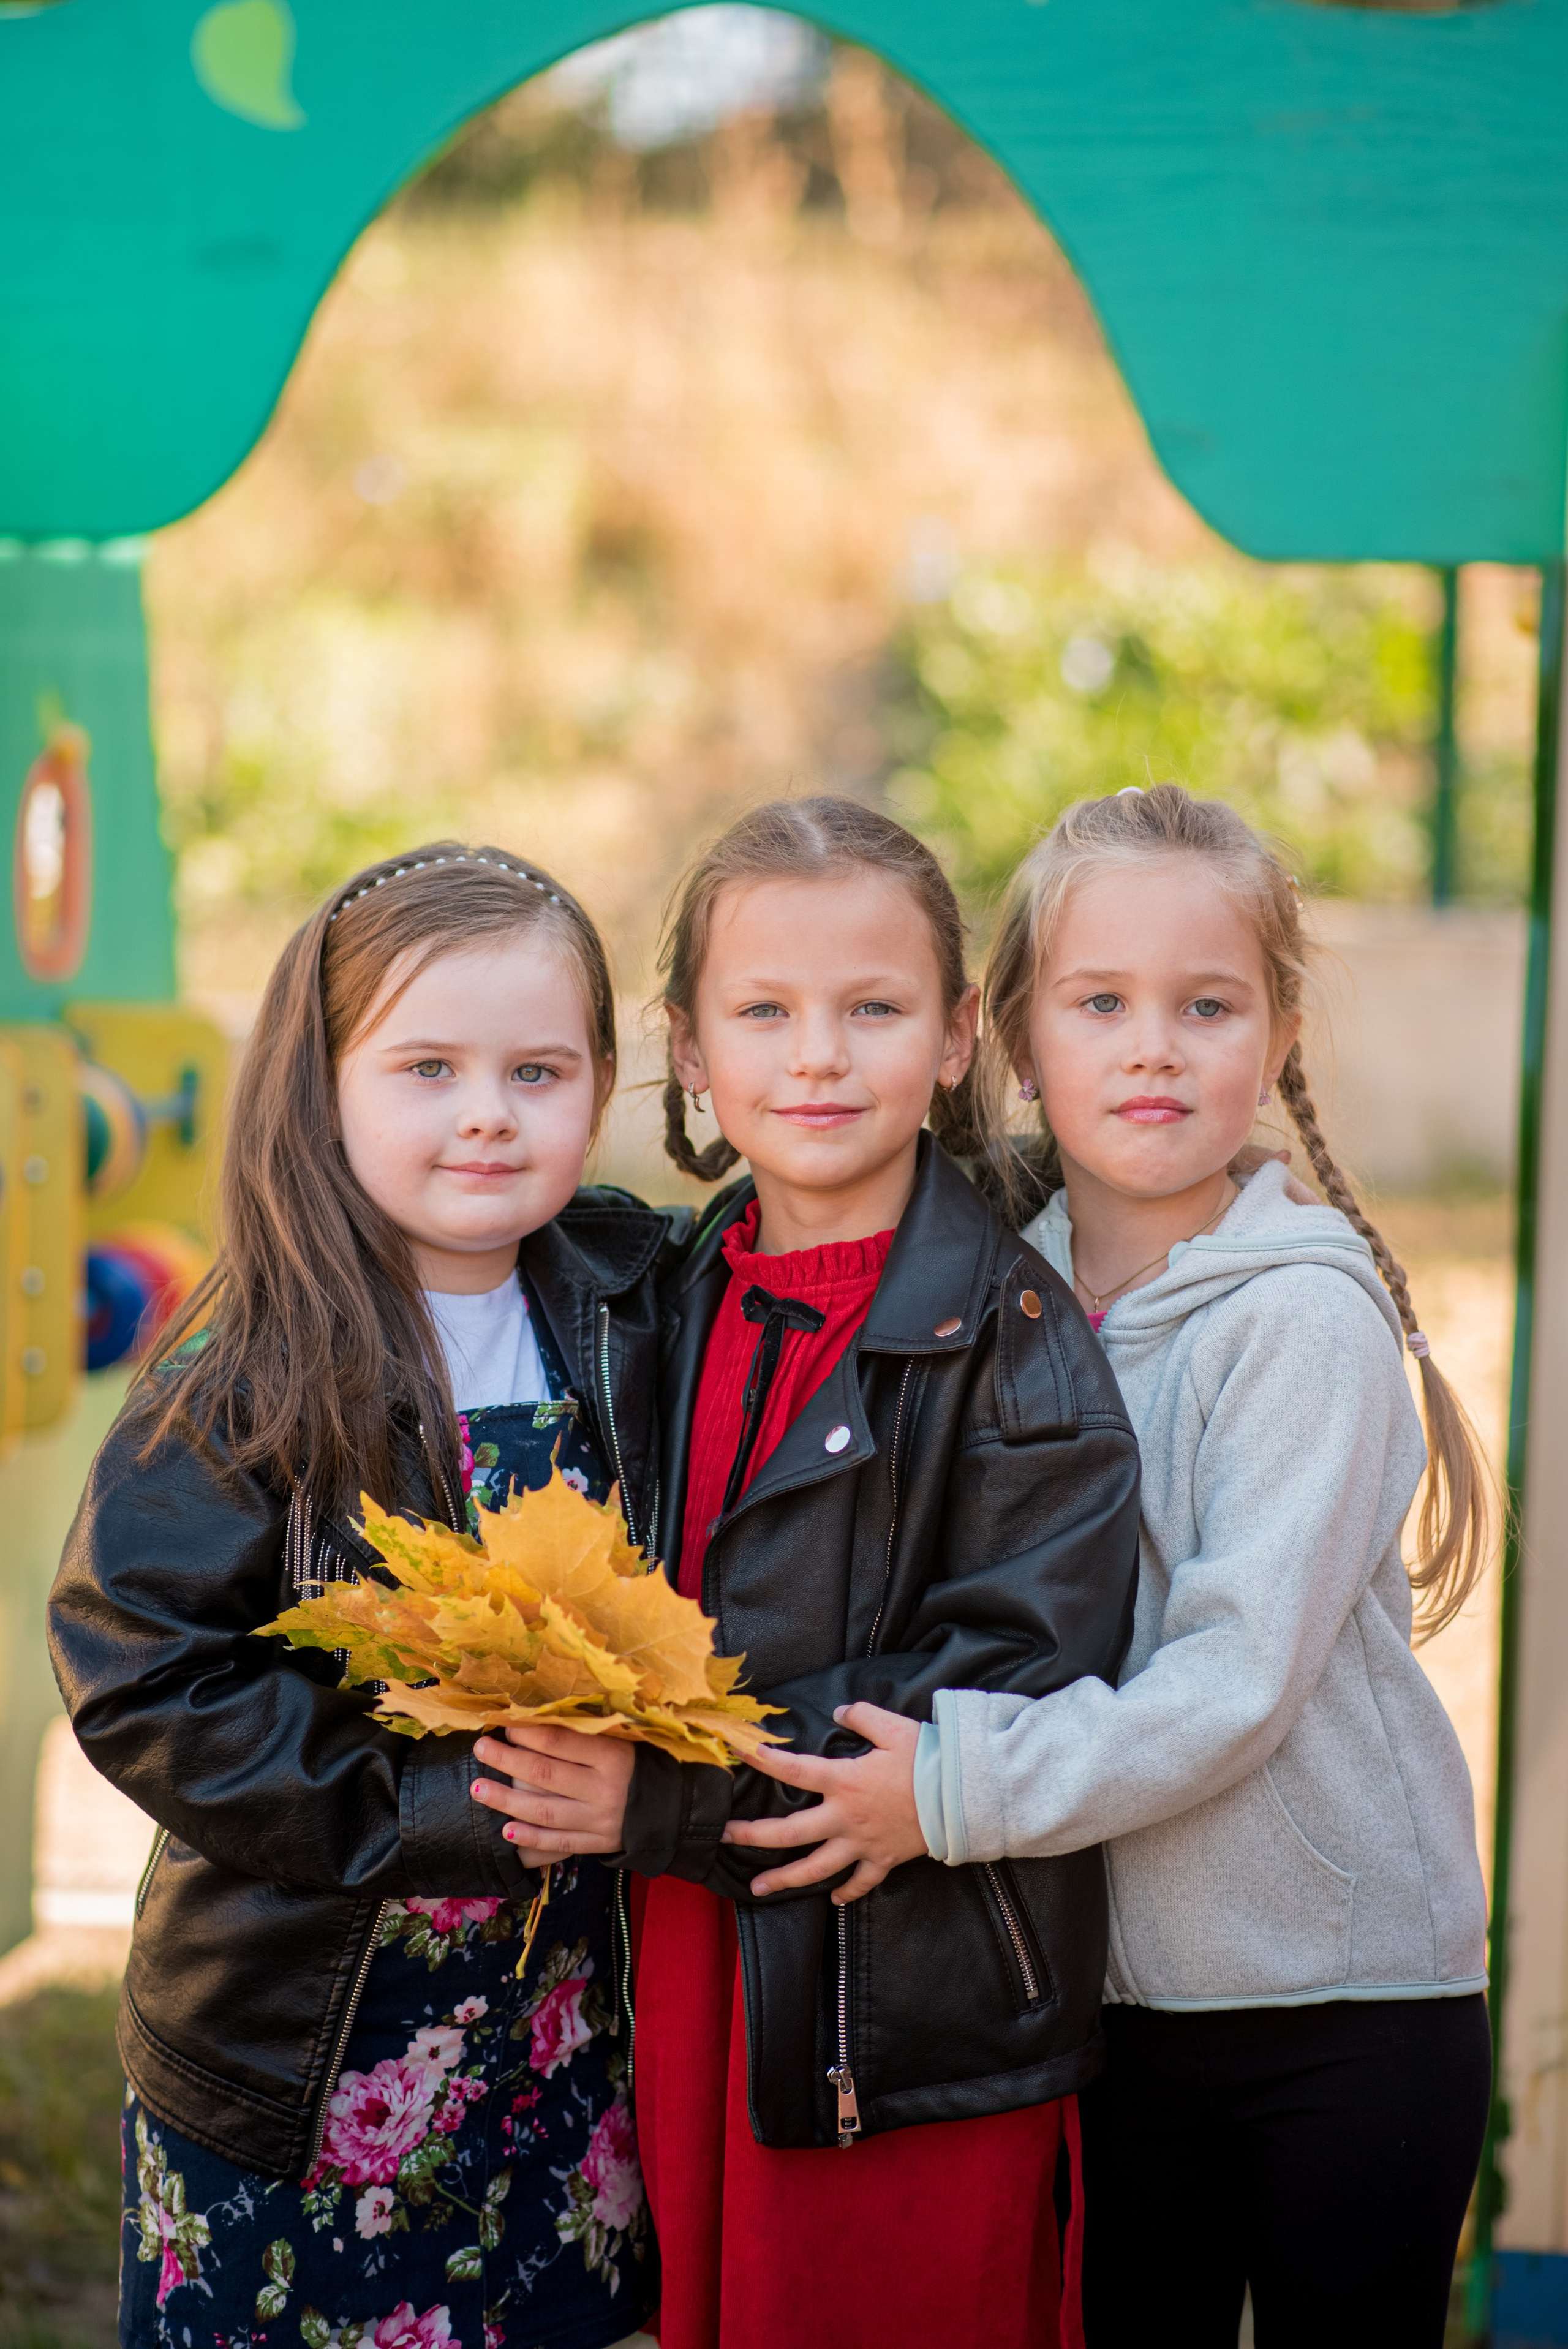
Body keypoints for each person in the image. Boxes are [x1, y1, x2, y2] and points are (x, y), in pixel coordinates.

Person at [728, 783, 1494, 2349]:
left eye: (1204, 1004)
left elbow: (1229, 1685)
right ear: (1012, 1038)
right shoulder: (988, 1299)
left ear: (1274, 1037)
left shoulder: (1297, 1323)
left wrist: (949, 1789)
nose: (1151, 1045)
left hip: (1335, 2011)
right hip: (1106, 2007)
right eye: (1099, 1003)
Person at [467, 796, 1143, 2349]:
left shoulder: (1018, 1347)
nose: (817, 1056)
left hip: (894, 1994)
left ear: (960, 1033)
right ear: (690, 1053)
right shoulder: (664, 1289)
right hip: (698, 1944)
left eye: (872, 1009)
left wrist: (664, 1798)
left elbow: (1009, 1685)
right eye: (762, 1012)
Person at [50, 845, 681, 2349]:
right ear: (320, 1084)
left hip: (561, 2039)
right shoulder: (248, 1367)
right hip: (302, 2047)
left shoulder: (632, 1307)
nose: (485, 1112)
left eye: (538, 1068)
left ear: (602, 1085)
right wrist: (433, 1805)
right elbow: (141, 1669)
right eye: (426, 1067)